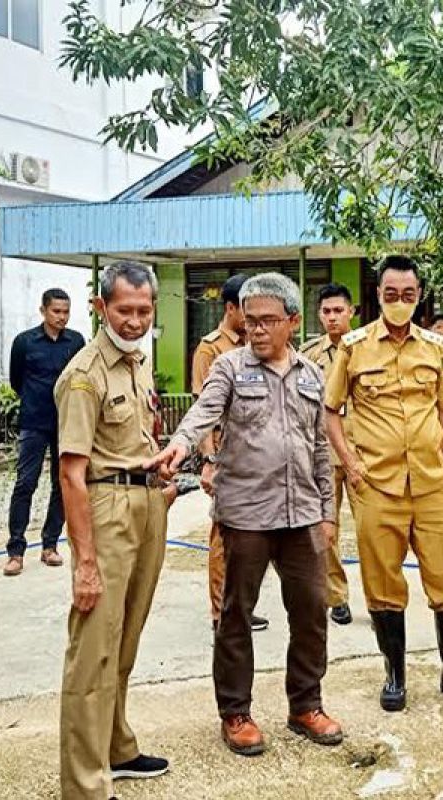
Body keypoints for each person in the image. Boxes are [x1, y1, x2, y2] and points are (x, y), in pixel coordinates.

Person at [148, 273, 343, 757]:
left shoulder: (312, 375)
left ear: (292, 322)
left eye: (268, 321)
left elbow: (319, 446)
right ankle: (235, 713)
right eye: (250, 321)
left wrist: (327, 511)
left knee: (310, 613)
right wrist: (179, 444)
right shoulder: (231, 368)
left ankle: (305, 705)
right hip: (246, 515)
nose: (256, 330)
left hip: (301, 516)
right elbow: (202, 412)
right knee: (235, 616)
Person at [324, 255, 443, 712]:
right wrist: (351, 464)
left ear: (420, 297)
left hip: (433, 485)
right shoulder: (353, 348)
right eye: (391, 294)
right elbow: (330, 412)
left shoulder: (435, 348)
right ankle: (394, 674)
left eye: (409, 295)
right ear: (378, 295)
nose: (400, 302)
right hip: (377, 486)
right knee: (383, 582)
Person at [55, 261, 175, 799]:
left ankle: (116, 747)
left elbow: (136, 434)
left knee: (125, 640)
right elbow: (70, 473)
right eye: (123, 310)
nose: (134, 321)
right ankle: (84, 784)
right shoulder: (85, 375)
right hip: (105, 510)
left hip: (146, 502)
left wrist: (157, 465)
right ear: (101, 308)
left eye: (143, 311)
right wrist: (84, 561)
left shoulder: (137, 363)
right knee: (93, 650)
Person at [192, 274, 269, 634]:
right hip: (225, 454)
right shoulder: (210, 350)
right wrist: (209, 460)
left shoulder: (257, 343)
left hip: (256, 454)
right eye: (248, 309)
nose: (256, 317)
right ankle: (220, 612)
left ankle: (242, 605)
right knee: (223, 537)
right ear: (230, 308)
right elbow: (203, 414)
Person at [4, 288, 86, 576]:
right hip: (33, 423)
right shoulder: (24, 342)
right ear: (43, 311)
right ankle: (15, 550)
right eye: (56, 311)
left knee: (63, 484)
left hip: (66, 424)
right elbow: (16, 381)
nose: (61, 317)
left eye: (66, 312)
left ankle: (50, 545)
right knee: (25, 483)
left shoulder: (76, 341)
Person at [300, 284, 358, 626]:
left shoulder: (368, 349)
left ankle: (384, 599)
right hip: (321, 456)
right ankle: (337, 595)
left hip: (362, 454)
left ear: (351, 312)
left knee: (373, 530)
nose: (333, 317)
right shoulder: (308, 356)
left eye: (339, 310)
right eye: (327, 311)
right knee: (325, 528)